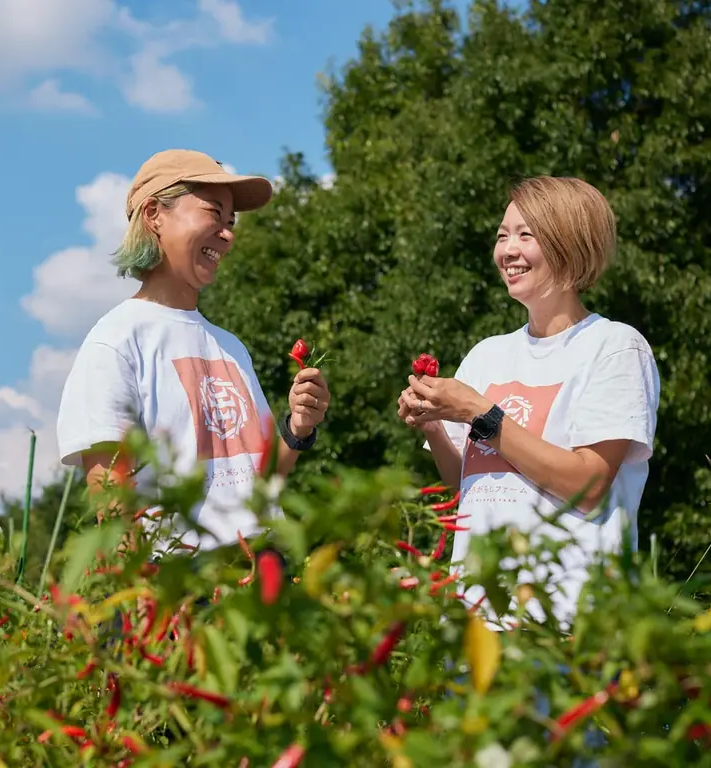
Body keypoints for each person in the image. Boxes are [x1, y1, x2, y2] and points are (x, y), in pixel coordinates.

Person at [398, 176, 660, 629]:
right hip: (476, 622)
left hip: (567, 625)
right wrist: (435, 426)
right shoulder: (487, 354)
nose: (507, 250)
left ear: (569, 245)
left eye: (525, 235)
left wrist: (479, 414)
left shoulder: (615, 347)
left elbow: (590, 484)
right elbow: (467, 487)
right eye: (502, 236)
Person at [56, 149, 331, 557]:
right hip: (181, 586)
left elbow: (257, 479)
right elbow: (112, 503)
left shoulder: (230, 346)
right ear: (154, 214)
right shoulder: (116, 342)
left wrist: (299, 426)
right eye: (213, 213)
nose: (228, 233)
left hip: (260, 579)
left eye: (231, 221)